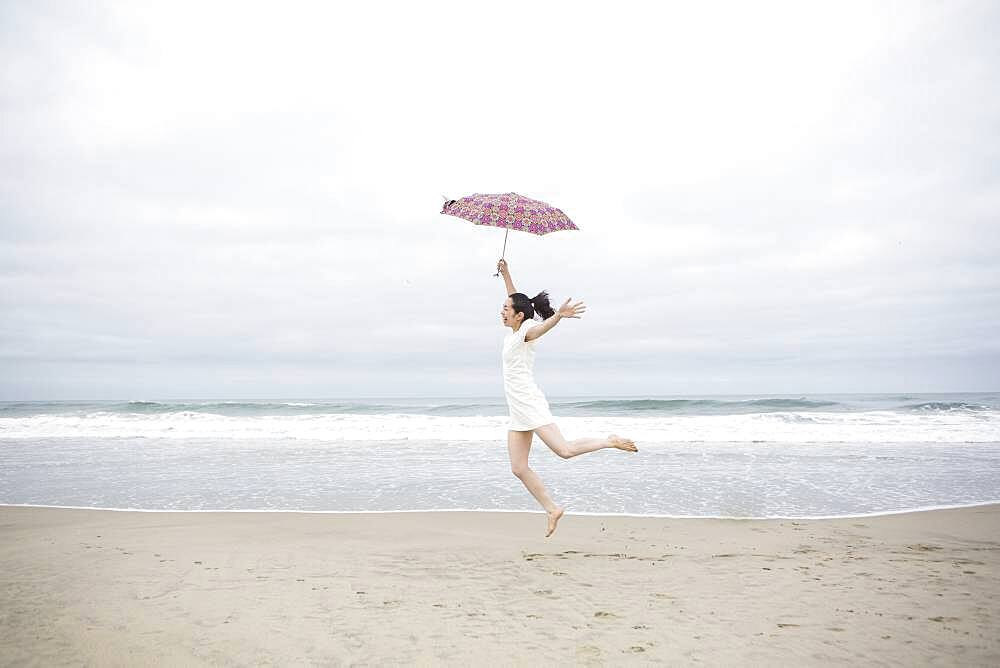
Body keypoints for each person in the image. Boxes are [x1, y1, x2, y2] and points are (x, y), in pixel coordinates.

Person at [496, 258, 637, 538]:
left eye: (505, 309)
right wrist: (506, 273)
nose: (502, 312)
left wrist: (558, 317)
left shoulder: (526, 332)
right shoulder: (514, 331)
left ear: (518, 316)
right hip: (518, 411)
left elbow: (540, 328)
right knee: (518, 467)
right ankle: (552, 509)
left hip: (530, 405)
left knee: (565, 451)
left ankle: (609, 441)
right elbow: (515, 299)